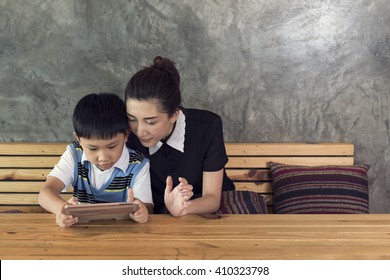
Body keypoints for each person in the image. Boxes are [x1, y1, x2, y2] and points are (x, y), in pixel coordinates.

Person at [125, 56, 235, 216]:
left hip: (203, 207)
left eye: (151, 122)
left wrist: (182, 208)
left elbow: (211, 198)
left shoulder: (208, 127)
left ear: (174, 115)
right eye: (132, 119)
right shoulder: (125, 131)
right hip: (152, 214)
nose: (140, 131)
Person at [38, 93, 153, 227]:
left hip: (123, 235)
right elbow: (46, 192)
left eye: (112, 146)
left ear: (126, 134)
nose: (103, 158)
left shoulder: (138, 165)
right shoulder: (74, 154)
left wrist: (141, 210)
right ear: (79, 139)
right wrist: (61, 210)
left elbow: (147, 207)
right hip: (82, 232)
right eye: (92, 148)